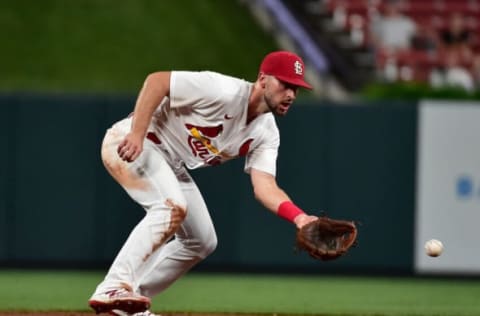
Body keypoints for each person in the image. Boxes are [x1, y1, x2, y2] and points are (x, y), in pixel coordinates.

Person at [88, 51, 319, 316]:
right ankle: (114, 286)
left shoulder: (266, 133)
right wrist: (137, 134)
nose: (291, 94)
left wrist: (300, 218)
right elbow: (156, 82)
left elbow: (264, 185)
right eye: (285, 84)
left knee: (202, 240)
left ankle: (126, 304)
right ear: (263, 79)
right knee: (171, 206)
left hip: (170, 162)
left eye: (296, 88)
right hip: (132, 143)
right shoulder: (223, 90)